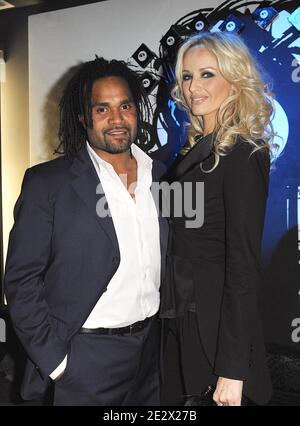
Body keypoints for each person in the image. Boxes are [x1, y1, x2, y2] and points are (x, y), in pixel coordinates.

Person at [4, 57, 168, 406]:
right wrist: (57, 363)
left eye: (124, 106)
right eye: (102, 109)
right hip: (85, 357)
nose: (116, 119)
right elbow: (21, 280)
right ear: (83, 117)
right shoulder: (49, 183)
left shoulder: (162, 176)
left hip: (150, 354)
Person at [160, 32, 275, 406]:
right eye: (188, 76)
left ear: (234, 78)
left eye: (207, 74)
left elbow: (243, 265)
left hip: (214, 332)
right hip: (177, 320)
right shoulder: (191, 150)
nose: (193, 86)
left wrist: (233, 367)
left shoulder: (244, 152)